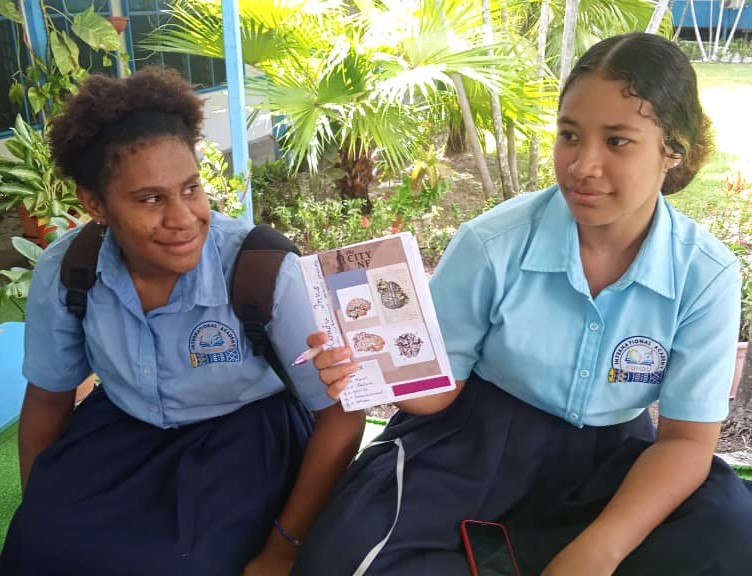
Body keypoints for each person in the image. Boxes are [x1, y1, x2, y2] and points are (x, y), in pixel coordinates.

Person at [293, 32, 752, 576]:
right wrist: (372, 366)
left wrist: (598, 550)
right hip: (472, 447)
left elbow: (685, 442)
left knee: (731, 534)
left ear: (672, 148)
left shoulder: (705, 274)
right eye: (569, 135)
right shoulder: (491, 245)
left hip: (613, 463)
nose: (583, 166)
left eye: (618, 141)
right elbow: (440, 393)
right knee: (350, 556)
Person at [0, 68, 364, 576]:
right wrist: (41, 500)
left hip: (247, 436)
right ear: (94, 204)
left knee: (184, 564)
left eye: (191, 188)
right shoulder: (69, 273)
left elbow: (342, 414)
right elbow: (49, 396)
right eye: (150, 198)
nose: (183, 218)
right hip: (125, 423)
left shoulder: (262, 270)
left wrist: (284, 548)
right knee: (35, 545)